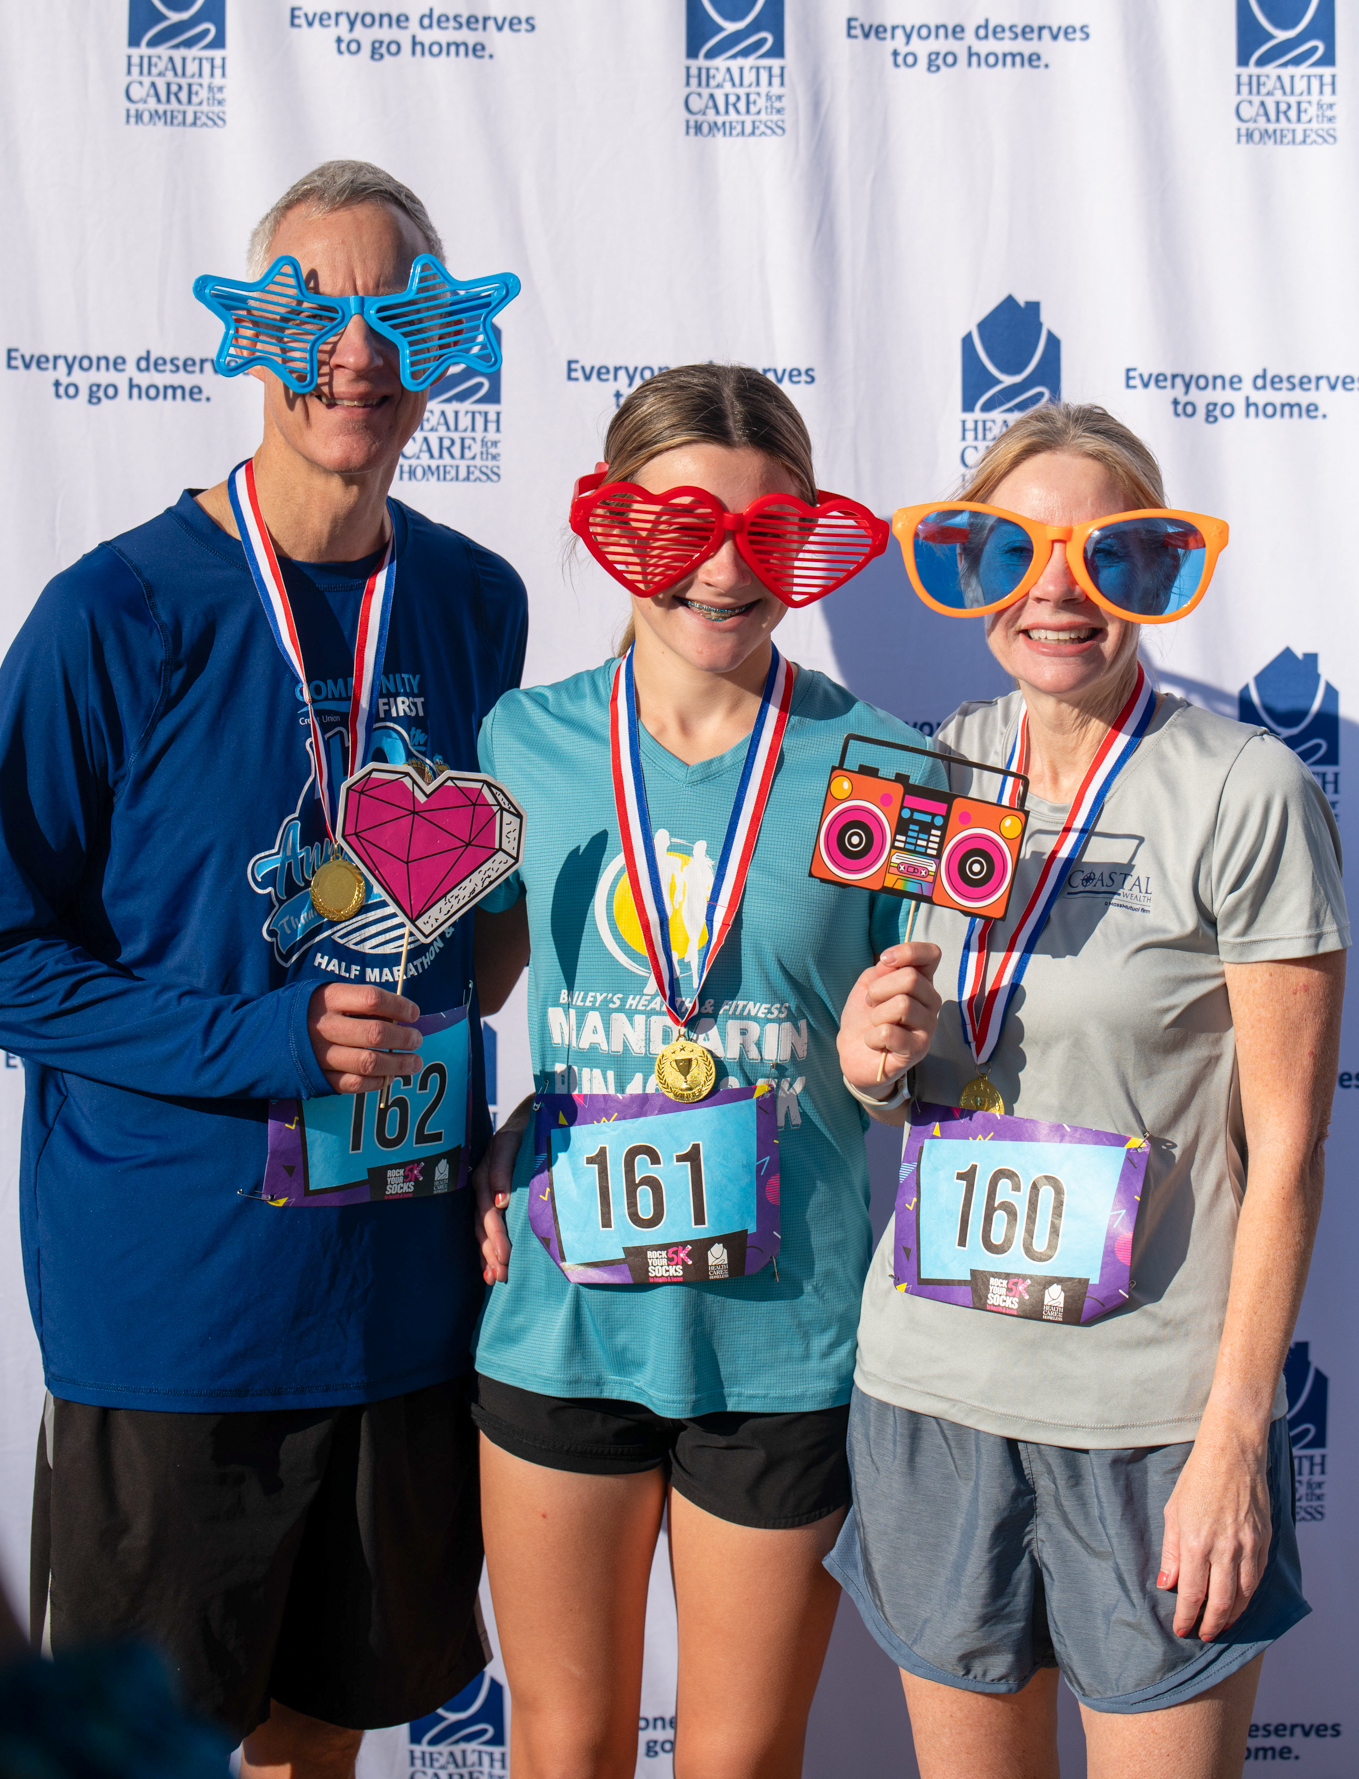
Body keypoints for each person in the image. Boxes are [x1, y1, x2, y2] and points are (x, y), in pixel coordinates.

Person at [0, 160, 527, 1773]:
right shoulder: (116, 610)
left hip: (400, 1301)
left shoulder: (476, 600)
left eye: (397, 317)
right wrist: (268, 1040)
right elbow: (8, 956)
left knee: (321, 1743)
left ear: (443, 355)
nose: (353, 357)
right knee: (134, 1757)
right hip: (178, 1316)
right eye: (311, 313)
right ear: (251, 338)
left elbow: (481, 944)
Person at [831, 404, 1347, 1779]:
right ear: (974, 569)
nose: (1054, 591)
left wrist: (1238, 1436)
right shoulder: (933, 769)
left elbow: (1288, 1147)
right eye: (1013, 549)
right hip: (934, 1391)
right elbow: (925, 1073)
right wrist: (870, 1061)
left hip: (1147, 1423)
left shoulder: (1245, 790)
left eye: (1103, 555)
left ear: (1153, 572)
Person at [468, 364, 943, 1779]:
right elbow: (472, 984)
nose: (725, 573)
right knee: (566, 1751)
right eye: (680, 530)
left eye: (767, 535)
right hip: (564, 1313)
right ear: (616, 533)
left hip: (782, 1335)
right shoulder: (524, 743)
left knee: (737, 1761)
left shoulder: (888, 763)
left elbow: (928, 1072)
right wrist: (474, 1130)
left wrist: (884, 1067)